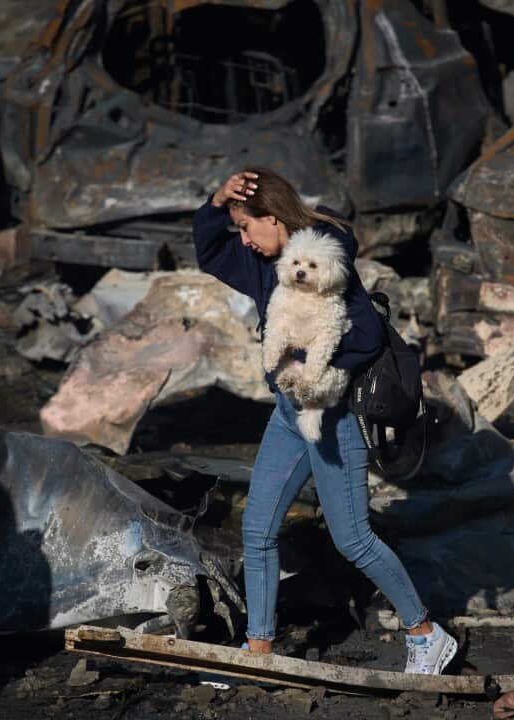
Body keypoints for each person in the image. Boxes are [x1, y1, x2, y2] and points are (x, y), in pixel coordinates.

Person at [191, 168, 457, 675]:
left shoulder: (326, 263)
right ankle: (260, 650)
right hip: (290, 415)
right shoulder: (260, 264)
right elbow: (209, 252)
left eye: (247, 227)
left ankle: (425, 633)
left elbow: (366, 338)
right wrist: (217, 199)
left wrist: (312, 361)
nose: (243, 241)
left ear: (273, 218)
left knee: (352, 537)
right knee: (258, 529)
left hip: (334, 415)